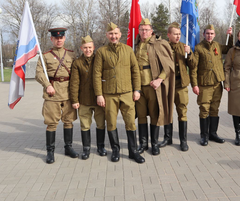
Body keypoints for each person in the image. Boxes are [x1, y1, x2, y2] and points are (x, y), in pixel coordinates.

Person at [93, 22, 144, 164]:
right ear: (107, 35)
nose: (113, 36)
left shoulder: (128, 50)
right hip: (109, 94)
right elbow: (96, 74)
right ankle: (115, 150)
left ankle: (133, 151)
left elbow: (135, 71)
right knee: (111, 123)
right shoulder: (101, 52)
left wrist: (137, 90)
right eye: (111, 34)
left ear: (120, 35)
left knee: (130, 123)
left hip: (127, 93)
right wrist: (99, 94)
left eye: (116, 33)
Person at [35, 27, 79, 164]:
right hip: (52, 93)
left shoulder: (72, 55)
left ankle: (68, 148)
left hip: (68, 93)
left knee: (68, 121)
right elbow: (39, 73)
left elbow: (77, 74)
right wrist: (47, 84)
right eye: (56, 38)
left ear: (64, 38)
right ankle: (50, 151)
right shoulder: (45, 56)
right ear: (51, 39)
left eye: (61, 38)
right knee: (51, 123)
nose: (59, 40)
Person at [134, 18, 175, 155]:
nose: (144, 32)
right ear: (139, 31)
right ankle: (143, 144)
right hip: (139, 86)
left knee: (154, 115)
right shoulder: (137, 44)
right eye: (141, 29)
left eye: (146, 30)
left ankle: (154, 143)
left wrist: (159, 79)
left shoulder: (159, 44)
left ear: (151, 31)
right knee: (141, 115)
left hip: (153, 86)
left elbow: (169, 65)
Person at [191, 24, 233, 146]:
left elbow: (230, 48)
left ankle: (213, 134)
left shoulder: (217, 46)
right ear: (204, 34)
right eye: (207, 33)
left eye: (211, 33)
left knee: (215, 109)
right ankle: (204, 136)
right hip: (204, 84)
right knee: (204, 109)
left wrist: (230, 35)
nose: (209, 35)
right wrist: (194, 84)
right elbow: (193, 68)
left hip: (217, 83)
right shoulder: (198, 48)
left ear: (214, 35)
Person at [159, 22, 196, 152]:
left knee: (182, 112)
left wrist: (189, 53)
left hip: (181, 85)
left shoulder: (184, 47)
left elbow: (193, 65)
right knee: (167, 112)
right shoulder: (163, 47)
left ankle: (183, 141)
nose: (178, 36)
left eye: (179, 34)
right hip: (168, 85)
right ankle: (167, 138)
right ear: (169, 35)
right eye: (175, 34)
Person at [69, 35, 106, 160]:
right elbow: (74, 83)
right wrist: (74, 100)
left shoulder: (99, 60)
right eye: (85, 48)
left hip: (98, 99)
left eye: (90, 47)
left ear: (93, 47)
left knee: (101, 124)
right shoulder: (77, 63)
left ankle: (101, 146)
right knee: (85, 125)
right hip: (84, 100)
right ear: (81, 48)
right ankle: (86, 148)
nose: (88, 50)